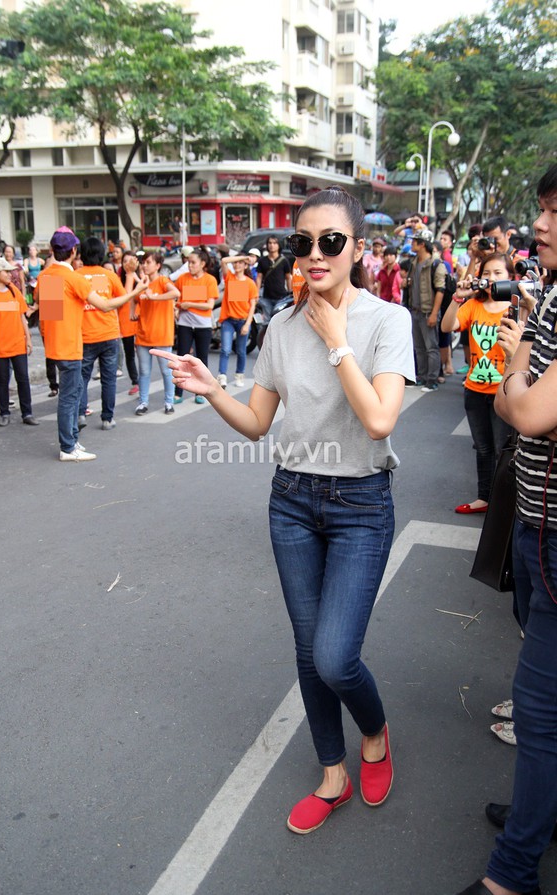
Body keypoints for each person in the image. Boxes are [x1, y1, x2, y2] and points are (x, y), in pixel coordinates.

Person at [154, 185, 415, 834]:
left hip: (360, 504)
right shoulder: (280, 326)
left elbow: (380, 420)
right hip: (293, 502)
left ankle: (376, 734)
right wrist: (214, 387)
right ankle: (333, 773)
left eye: (331, 242)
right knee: (307, 649)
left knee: (335, 657)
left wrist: (335, 339)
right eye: (304, 243)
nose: (315, 255)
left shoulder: (387, 321)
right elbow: (257, 423)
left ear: (358, 248)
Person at [448, 163, 557, 895]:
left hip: (555, 535)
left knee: (541, 712)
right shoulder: (550, 292)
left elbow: (529, 412)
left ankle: (511, 880)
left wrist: (517, 362)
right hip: (540, 527)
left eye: (554, 212)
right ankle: (537, 818)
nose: (539, 225)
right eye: (543, 210)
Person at [34, 227, 147, 461]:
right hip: (71, 344)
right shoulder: (72, 278)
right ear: (73, 251)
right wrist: (135, 290)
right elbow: (105, 306)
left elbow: (47, 307)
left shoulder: (46, 275)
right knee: (69, 398)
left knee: (73, 395)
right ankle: (68, 447)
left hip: (56, 344)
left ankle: (72, 440)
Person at [441, 253, 515, 513]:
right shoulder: (473, 305)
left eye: (498, 273)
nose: (491, 278)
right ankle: (485, 498)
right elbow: (447, 325)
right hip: (474, 390)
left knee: (501, 450)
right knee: (483, 449)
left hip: (504, 394)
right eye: (487, 273)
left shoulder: (515, 308)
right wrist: (458, 297)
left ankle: (504, 504)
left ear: (510, 278)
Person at [77, 237, 128, 431]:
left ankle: (81, 413)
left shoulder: (76, 276)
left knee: (82, 378)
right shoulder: (108, 275)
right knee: (108, 379)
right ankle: (107, 418)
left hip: (84, 335)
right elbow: (122, 298)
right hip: (108, 334)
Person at [0, 257, 38, 427]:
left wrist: (28, 339)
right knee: (1, 381)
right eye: (6, 272)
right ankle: (4, 412)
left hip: (18, 344)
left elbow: (22, 316)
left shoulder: (14, 291)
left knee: (23, 379)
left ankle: (27, 413)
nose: (10, 274)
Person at [134, 252, 180, 416]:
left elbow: (176, 293)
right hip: (143, 333)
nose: (145, 265)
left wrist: (155, 298)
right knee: (144, 372)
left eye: (148, 262)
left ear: (157, 265)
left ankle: (169, 402)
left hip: (161, 334)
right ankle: (143, 402)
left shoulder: (162, 280)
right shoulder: (141, 283)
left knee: (166, 371)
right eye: (143, 262)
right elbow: (135, 302)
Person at [173, 247, 219, 405]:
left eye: (193, 262)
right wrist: (176, 308)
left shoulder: (210, 280)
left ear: (202, 264)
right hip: (185, 323)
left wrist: (189, 304)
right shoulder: (182, 278)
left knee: (202, 357)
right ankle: (178, 392)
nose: (189, 265)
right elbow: (175, 297)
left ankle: (201, 392)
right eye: (188, 262)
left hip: (203, 325)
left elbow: (209, 305)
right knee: (181, 358)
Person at [406, 228, 447, 392]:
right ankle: (421, 376)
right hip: (415, 310)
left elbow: (440, 290)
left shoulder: (436, 264)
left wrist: (434, 313)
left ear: (422, 244)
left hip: (428, 311)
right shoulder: (414, 262)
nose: (412, 243)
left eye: (415, 241)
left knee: (431, 347)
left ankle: (432, 379)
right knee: (419, 347)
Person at [216, 255, 258, 389]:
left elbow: (252, 305)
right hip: (228, 320)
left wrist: (247, 324)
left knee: (241, 351)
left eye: (240, 263)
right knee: (225, 350)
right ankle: (222, 376)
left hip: (243, 321)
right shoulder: (229, 277)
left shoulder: (250, 283)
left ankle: (239, 375)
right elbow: (223, 261)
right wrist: (242, 257)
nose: (237, 265)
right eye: (235, 263)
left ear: (245, 266)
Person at [118, 250, 141, 395]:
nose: (128, 264)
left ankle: (142, 382)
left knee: (143, 354)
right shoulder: (118, 279)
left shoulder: (140, 276)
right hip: (125, 321)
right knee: (129, 354)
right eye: (125, 261)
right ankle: (136, 381)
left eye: (130, 261)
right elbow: (124, 297)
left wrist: (134, 275)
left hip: (139, 320)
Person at [256, 235, 292, 326]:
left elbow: (288, 277)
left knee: (280, 322)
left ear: (278, 245)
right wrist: (256, 293)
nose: (272, 245)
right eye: (270, 243)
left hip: (281, 297)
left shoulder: (284, 261)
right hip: (266, 297)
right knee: (267, 323)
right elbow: (259, 277)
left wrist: (290, 292)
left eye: (274, 243)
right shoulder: (262, 261)